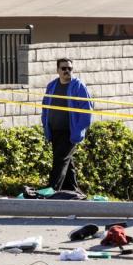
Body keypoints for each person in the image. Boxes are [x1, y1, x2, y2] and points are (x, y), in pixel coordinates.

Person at [41, 58, 92, 193]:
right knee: (66, 162)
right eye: (64, 68)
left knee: (60, 160)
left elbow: (86, 111)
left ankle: (52, 190)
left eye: (70, 69)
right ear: (58, 70)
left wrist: (78, 132)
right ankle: (73, 189)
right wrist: (45, 123)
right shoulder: (52, 86)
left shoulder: (78, 86)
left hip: (70, 132)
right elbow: (45, 106)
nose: (67, 71)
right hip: (54, 131)